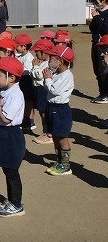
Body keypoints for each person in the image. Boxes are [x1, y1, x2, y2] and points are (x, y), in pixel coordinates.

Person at [0, 57, 26, 217]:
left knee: (12, 172)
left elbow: (6, 119)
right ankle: (11, 200)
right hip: (4, 133)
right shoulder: (7, 91)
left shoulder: (16, 95)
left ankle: (16, 204)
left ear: (11, 77)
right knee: (7, 169)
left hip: (12, 135)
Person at [43, 46, 75, 176]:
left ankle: (66, 165)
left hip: (61, 110)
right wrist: (48, 78)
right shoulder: (56, 73)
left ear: (60, 61)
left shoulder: (67, 76)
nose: (49, 61)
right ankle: (59, 161)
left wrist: (47, 78)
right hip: (51, 107)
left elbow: (54, 90)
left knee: (62, 137)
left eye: (52, 58)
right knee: (55, 136)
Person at [30, 39, 54, 144]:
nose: (36, 54)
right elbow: (33, 75)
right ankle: (45, 132)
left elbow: (39, 76)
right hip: (37, 89)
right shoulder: (43, 62)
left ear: (44, 52)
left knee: (44, 112)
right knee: (41, 112)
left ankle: (48, 133)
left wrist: (35, 66)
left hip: (43, 89)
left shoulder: (48, 64)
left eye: (37, 52)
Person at [89, 0, 108, 103]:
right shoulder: (99, 13)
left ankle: (105, 94)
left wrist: (97, 17)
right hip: (96, 43)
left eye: (97, 2)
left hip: (105, 45)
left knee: (103, 70)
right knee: (97, 70)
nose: (95, 5)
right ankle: (102, 93)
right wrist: (95, 18)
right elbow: (92, 29)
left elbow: (105, 29)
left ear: (104, 1)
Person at [14, 34, 35, 130]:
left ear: (24, 47)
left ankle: (28, 120)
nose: (16, 47)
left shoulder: (28, 57)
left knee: (27, 101)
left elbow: (27, 70)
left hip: (27, 80)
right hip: (22, 80)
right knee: (23, 100)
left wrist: (18, 70)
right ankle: (24, 119)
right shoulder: (21, 56)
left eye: (17, 45)